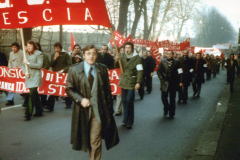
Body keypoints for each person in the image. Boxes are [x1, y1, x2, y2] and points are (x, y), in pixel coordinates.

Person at [66, 44, 119, 160]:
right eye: (88, 54)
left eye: (94, 54)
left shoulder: (102, 69)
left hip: (98, 111)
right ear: (83, 55)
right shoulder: (74, 70)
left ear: (97, 55)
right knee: (87, 139)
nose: (91, 56)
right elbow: (69, 89)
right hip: (82, 112)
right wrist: (81, 99)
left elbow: (107, 91)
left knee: (95, 139)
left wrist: (109, 111)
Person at [115, 42, 143, 129]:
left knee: (129, 101)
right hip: (123, 82)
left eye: (129, 48)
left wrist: (138, 82)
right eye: (126, 47)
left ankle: (129, 122)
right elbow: (116, 66)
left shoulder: (137, 58)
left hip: (131, 82)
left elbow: (140, 71)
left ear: (132, 48)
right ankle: (125, 119)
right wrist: (117, 60)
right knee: (124, 101)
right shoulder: (122, 56)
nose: (127, 49)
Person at [46, 42, 72, 111]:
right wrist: (55, 58)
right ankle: (50, 106)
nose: (56, 50)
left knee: (65, 88)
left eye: (58, 48)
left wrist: (63, 70)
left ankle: (68, 103)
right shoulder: (53, 55)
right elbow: (50, 64)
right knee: (53, 90)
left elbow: (69, 65)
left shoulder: (65, 54)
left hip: (63, 74)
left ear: (60, 48)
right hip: (55, 74)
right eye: (55, 48)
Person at [157, 50, 183, 119]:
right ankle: (166, 108)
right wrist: (161, 78)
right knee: (163, 98)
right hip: (164, 83)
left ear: (173, 54)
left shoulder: (177, 61)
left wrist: (180, 81)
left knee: (172, 99)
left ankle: (172, 113)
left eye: (170, 54)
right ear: (166, 54)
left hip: (173, 82)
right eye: (167, 54)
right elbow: (159, 71)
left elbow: (180, 71)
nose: (169, 55)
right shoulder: (162, 61)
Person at [22, 40, 43, 120]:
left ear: (34, 46)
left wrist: (29, 63)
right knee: (34, 95)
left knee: (31, 94)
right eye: (27, 46)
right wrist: (25, 72)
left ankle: (28, 113)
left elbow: (39, 65)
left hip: (36, 76)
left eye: (30, 46)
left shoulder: (39, 53)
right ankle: (39, 110)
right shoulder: (25, 54)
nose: (28, 48)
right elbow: (22, 66)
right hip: (29, 76)